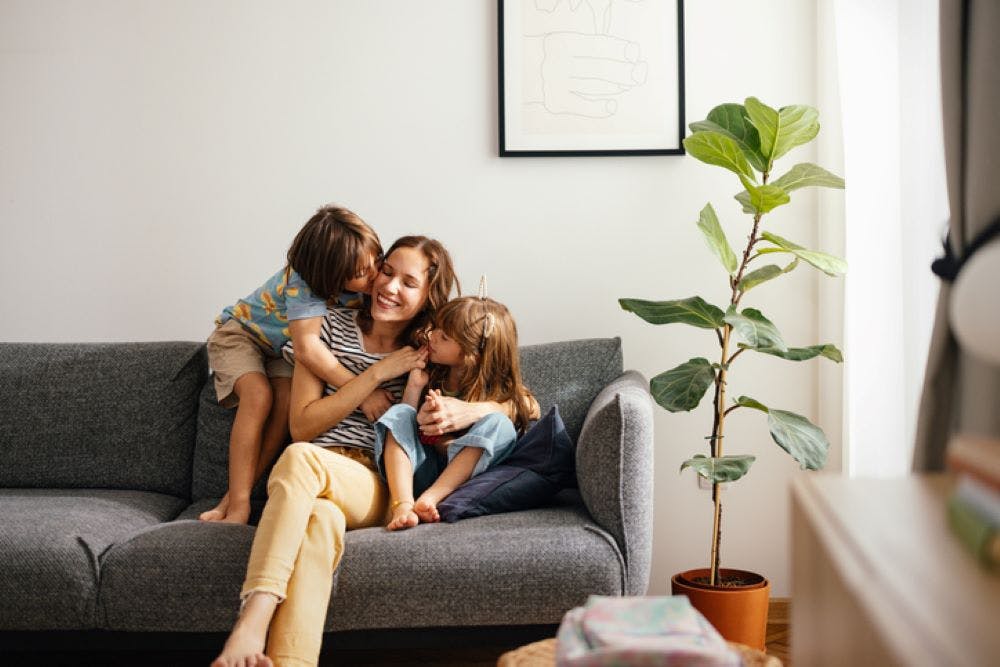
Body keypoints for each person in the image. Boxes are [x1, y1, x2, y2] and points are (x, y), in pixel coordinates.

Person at [212, 235, 469, 667]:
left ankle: (251, 621)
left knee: (298, 459)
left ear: (428, 294)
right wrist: (374, 376)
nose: (389, 287)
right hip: (311, 480)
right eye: (387, 272)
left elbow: (518, 398)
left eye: (409, 282)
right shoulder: (325, 328)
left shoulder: (430, 349)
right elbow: (303, 425)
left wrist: (467, 407)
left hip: (373, 479)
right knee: (317, 521)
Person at [202, 205, 387, 525]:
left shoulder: (366, 283)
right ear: (329, 275)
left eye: (376, 263)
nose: (374, 278)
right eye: (362, 273)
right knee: (258, 397)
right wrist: (364, 392)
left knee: (287, 407)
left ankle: (232, 497)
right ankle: (240, 508)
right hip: (242, 335)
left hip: (280, 350)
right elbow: (309, 350)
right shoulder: (303, 284)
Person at [375, 293, 539, 530]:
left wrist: (475, 411)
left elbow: (531, 406)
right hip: (424, 471)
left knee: (499, 424)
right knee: (400, 413)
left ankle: (432, 498)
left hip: (465, 483)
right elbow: (408, 431)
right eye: (436, 329)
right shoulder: (433, 375)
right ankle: (403, 504)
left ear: (474, 354)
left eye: (444, 337)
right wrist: (415, 389)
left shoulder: (497, 389)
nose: (432, 336)